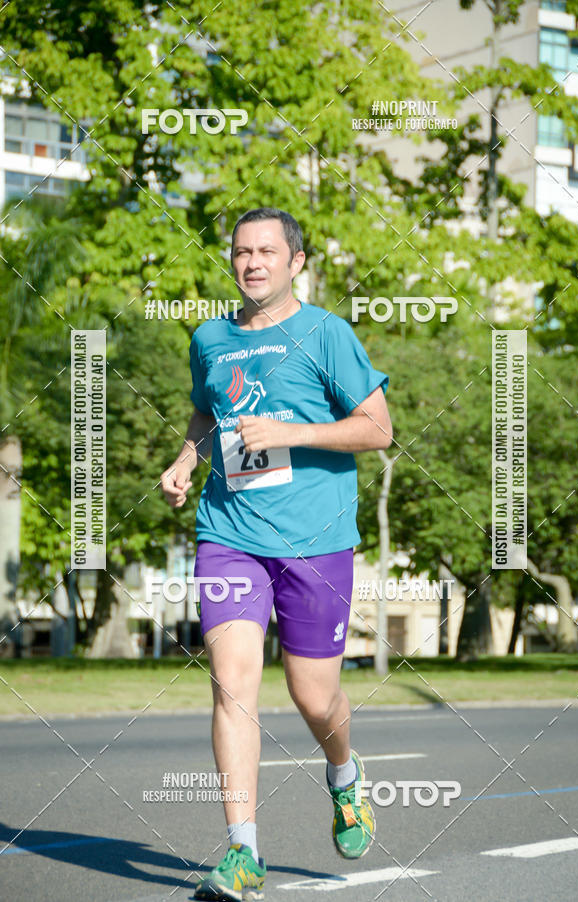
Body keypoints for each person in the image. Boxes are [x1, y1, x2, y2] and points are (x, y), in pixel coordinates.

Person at [160, 207, 392, 901]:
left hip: (316, 541)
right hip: (229, 534)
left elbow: (377, 430)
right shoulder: (210, 338)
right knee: (232, 684)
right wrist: (186, 459)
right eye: (241, 252)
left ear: (296, 262)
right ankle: (244, 853)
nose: (252, 262)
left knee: (312, 696)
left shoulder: (326, 333)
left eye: (266, 251)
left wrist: (292, 433)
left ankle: (344, 776)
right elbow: (208, 413)